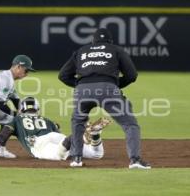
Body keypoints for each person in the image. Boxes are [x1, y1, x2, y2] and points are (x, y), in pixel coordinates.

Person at [58, 28, 151, 169]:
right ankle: (135, 160)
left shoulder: (82, 51)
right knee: (130, 124)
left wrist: (80, 84)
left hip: (83, 90)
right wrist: (115, 84)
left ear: (93, 41)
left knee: (78, 122)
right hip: (108, 89)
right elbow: (132, 75)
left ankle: (76, 158)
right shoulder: (115, 49)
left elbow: (63, 75)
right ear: (110, 41)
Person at [0, 97, 110, 162]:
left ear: (21, 109)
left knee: (59, 156)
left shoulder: (17, 119)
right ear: (37, 108)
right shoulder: (47, 120)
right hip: (55, 135)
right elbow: (57, 134)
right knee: (96, 155)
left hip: (40, 143)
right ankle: (95, 133)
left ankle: (78, 136)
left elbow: (2, 137)